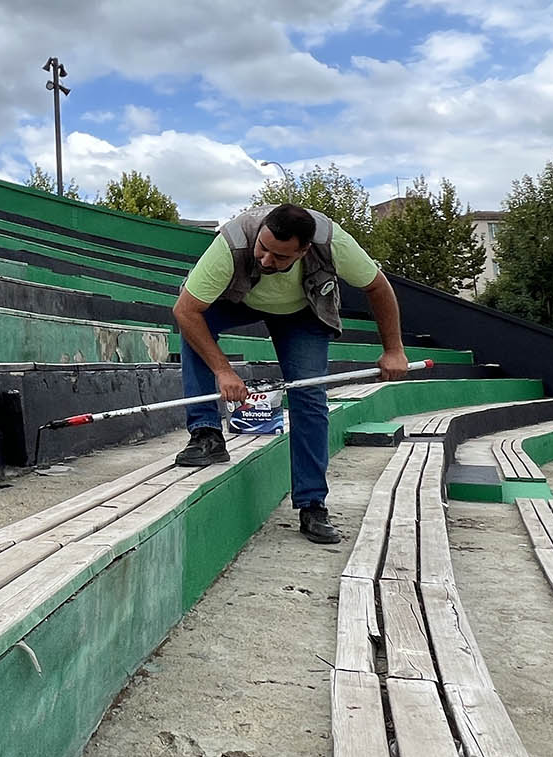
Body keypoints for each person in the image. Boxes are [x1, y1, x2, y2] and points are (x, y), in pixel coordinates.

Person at [171, 202, 410, 543]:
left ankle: (313, 505)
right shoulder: (233, 241)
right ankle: (206, 434)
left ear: (304, 250)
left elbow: (378, 288)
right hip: (239, 300)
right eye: (263, 249)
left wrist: (393, 349)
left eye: (280, 257)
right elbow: (186, 310)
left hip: (303, 311)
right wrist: (223, 371)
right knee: (192, 323)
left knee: (309, 398)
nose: (266, 261)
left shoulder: (333, 242)